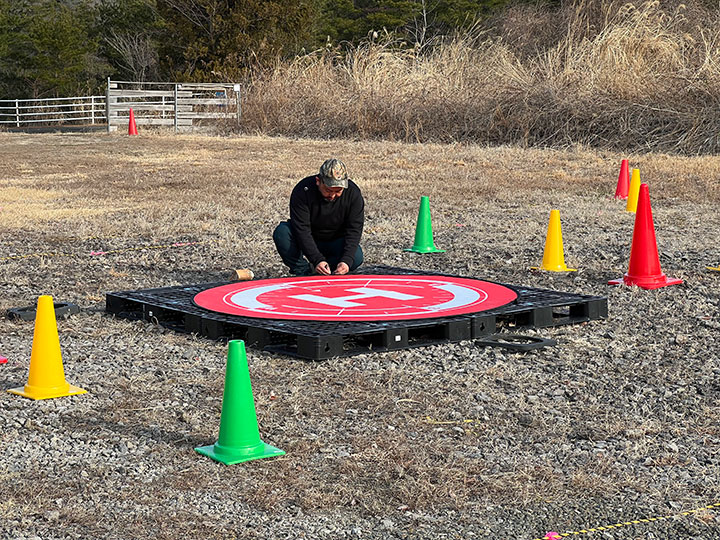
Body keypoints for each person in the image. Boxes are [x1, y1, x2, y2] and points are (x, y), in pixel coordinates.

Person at [273, 158, 364, 276]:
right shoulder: (303, 190)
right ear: (318, 181)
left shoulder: (353, 193)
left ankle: (329, 269)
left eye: (338, 191)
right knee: (282, 232)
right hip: (308, 238)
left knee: (356, 257)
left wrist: (346, 261)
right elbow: (302, 229)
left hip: (336, 240)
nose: (332, 195)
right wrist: (317, 259)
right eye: (328, 190)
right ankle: (304, 271)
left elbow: (354, 229)